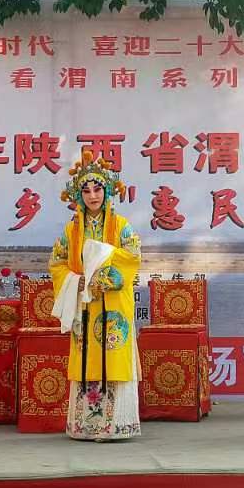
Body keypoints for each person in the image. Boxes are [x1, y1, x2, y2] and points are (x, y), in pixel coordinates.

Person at [49, 150, 142, 441]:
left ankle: (117, 425)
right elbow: (57, 263)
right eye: (86, 190)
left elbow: (133, 256)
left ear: (107, 191)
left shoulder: (121, 225)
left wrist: (104, 277)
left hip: (113, 303)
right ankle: (84, 426)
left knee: (113, 355)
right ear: (78, 195)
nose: (92, 196)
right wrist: (76, 281)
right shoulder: (71, 230)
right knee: (86, 357)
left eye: (97, 189)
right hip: (85, 304)